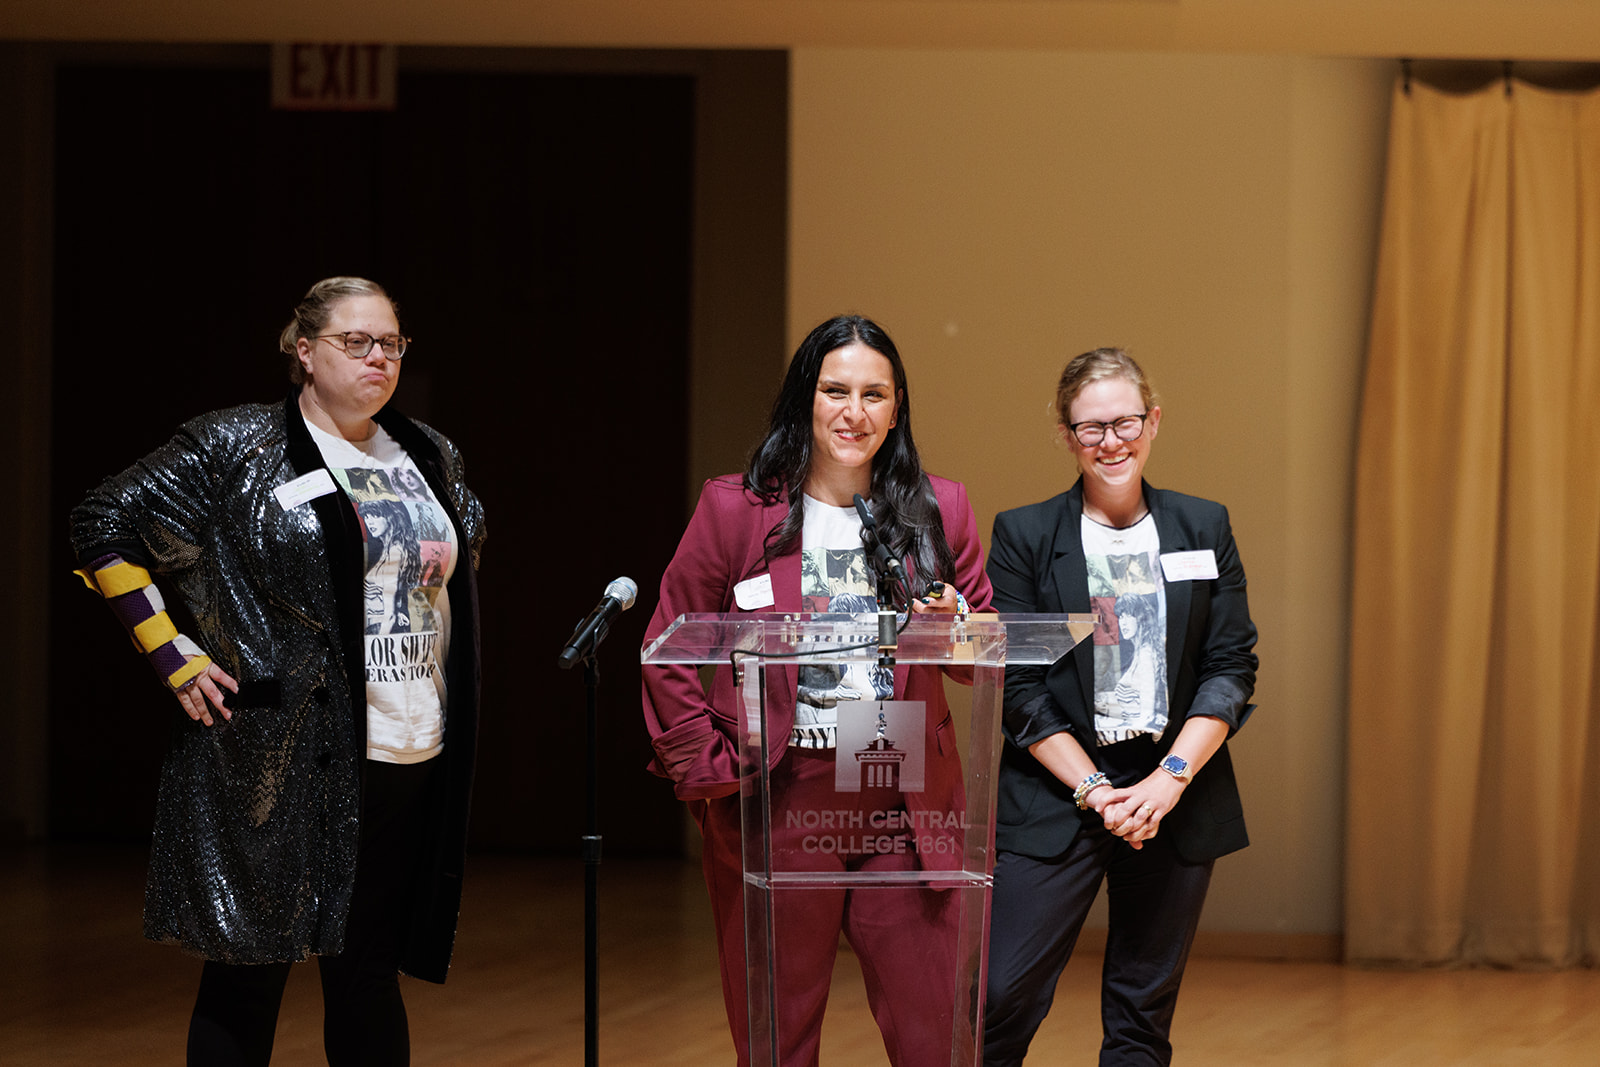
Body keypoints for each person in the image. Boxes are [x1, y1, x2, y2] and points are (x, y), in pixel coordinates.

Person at [69, 276, 486, 1067]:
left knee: (367, 974)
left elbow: (453, 568)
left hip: (406, 751)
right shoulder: (237, 445)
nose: (379, 357)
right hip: (277, 755)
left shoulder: (430, 451)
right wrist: (169, 649)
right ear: (304, 351)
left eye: (392, 342)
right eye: (355, 342)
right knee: (247, 978)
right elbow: (102, 521)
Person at [641, 314, 994, 1066]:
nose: (854, 411)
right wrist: (706, 767)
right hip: (779, 784)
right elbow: (667, 644)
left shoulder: (938, 508)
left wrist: (955, 622)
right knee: (778, 1036)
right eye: (836, 389)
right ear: (806, 396)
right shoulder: (737, 509)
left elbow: (977, 650)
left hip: (896, 779)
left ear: (897, 409)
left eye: (874, 394)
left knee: (934, 1032)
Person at [982, 348, 1257, 1066]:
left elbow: (1230, 667)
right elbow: (1018, 683)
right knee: (998, 994)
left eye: (1125, 421)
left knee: (1142, 1013)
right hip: (1058, 789)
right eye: (1090, 427)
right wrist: (1096, 789)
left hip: (1173, 789)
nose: (1111, 441)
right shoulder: (1024, 535)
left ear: (1153, 420)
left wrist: (1168, 777)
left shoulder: (1204, 525)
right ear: (1067, 435)